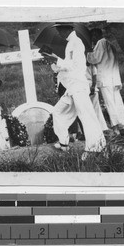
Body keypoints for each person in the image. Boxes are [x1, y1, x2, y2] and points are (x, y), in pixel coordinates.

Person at [44, 23, 106, 160]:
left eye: (60, 29)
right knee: (57, 112)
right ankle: (63, 143)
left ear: (69, 29)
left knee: (86, 116)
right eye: (58, 29)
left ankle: (95, 148)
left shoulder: (76, 43)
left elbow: (73, 65)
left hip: (78, 86)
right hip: (71, 88)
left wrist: (56, 61)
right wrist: (53, 58)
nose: (59, 32)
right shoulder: (70, 43)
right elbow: (67, 63)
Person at [87, 28, 124, 136]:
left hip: (105, 78)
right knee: (117, 103)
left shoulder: (100, 43)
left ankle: (116, 128)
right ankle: (123, 129)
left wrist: (87, 54)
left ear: (96, 34)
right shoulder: (110, 44)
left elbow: (95, 59)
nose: (92, 38)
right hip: (114, 78)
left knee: (110, 103)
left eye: (92, 36)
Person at [86, 63, 109, 132]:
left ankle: (101, 128)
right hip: (84, 87)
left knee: (96, 108)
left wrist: (93, 86)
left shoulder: (92, 66)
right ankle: (92, 128)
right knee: (88, 109)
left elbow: (94, 76)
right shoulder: (81, 64)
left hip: (91, 87)